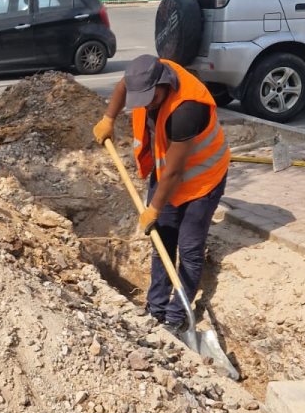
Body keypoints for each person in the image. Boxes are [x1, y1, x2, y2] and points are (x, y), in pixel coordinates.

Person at [93, 54, 230, 333]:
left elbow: (175, 174)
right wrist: (109, 118)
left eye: (149, 99)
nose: (143, 105)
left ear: (163, 85)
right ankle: (155, 308)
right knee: (162, 240)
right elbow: (123, 85)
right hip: (168, 173)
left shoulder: (187, 110)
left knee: (189, 248)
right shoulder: (144, 77)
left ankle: (177, 315)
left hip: (201, 180)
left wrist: (153, 209)